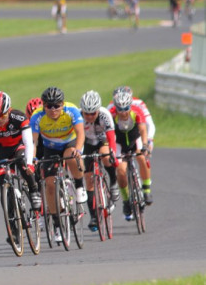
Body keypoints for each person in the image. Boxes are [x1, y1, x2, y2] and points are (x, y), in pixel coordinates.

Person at [29, 87, 87, 239]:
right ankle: (56, 222)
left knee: (71, 156)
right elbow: (33, 142)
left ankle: (80, 185)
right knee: (49, 184)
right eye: (49, 106)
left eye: (57, 105)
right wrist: (32, 158)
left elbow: (81, 133)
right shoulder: (37, 116)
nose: (53, 109)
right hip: (51, 148)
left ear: (62, 104)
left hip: (70, 143)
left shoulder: (72, 110)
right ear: (44, 106)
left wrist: (79, 150)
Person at [0, 91, 42, 219]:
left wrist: (30, 164)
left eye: (3, 115)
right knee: (3, 187)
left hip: (19, 146)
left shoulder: (19, 117)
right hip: (2, 152)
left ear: (9, 110)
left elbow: (29, 143)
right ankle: (12, 227)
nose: (0, 119)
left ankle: (33, 189)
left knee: (23, 163)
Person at [79, 90, 120, 231]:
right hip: (87, 144)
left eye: (93, 113)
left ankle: (113, 182)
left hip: (103, 141)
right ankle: (94, 217)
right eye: (86, 113)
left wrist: (113, 153)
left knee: (106, 155)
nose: (89, 116)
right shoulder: (78, 116)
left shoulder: (105, 115)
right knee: (89, 180)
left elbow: (111, 137)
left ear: (98, 110)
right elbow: (75, 137)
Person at [108, 89, 152, 218]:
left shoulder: (137, 112)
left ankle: (147, 189)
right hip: (119, 143)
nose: (123, 112)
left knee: (142, 158)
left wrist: (145, 145)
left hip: (135, 140)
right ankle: (126, 201)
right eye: (120, 109)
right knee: (121, 170)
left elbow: (143, 130)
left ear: (130, 106)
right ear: (115, 107)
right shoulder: (111, 115)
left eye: (126, 108)